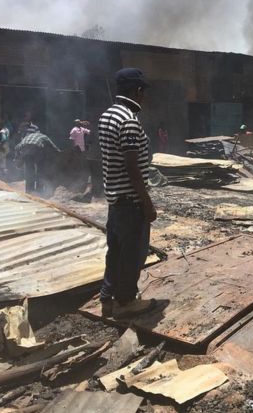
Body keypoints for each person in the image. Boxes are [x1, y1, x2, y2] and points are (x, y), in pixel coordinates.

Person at [98, 67, 157, 319]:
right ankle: (125, 302)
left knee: (116, 251)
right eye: (143, 92)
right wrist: (147, 203)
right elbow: (132, 167)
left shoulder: (107, 116)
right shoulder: (129, 121)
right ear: (137, 90)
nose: (144, 97)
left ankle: (107, 299)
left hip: (115, 200)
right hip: (131, 202)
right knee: (133, 254)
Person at [14, 126, 60, 194]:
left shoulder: (27, 137)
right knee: (40, 169)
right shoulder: (43, 136)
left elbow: (17, 147)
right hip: (36, 149)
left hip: (25, 149)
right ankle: (39, 190)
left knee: (29, 171)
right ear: (39, 132)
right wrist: (59, 152)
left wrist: (17, 158)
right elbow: (52, 146)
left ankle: (29, 191)